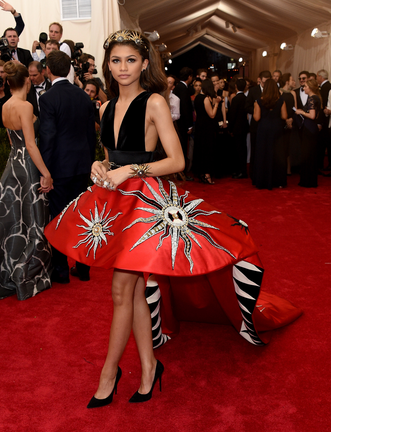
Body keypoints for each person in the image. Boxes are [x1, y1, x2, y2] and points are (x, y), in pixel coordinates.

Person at [43, 29, 301, 409]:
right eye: (116, 61)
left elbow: (177, 161)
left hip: (143, 206)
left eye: (131, 60)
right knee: (130, 293)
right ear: (107, 65)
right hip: (114, 203)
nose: (123, 67)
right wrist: (102, 163)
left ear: (145, 63)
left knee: (121, 291)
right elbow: (110, 155)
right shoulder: (104, 106)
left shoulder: (155, 104)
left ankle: (108, 374)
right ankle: (149, 367)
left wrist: (129, 168)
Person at [0, 61, 54, 307]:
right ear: (27, 81)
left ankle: (8, 260)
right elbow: (30, 144)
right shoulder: (25, 106)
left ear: (7, 82)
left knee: (12, 218)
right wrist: (46, 173)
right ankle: (23, 269)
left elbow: (13, 142)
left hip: (12, 165)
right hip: (28, 165)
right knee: (31, 218)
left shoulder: (6, 105)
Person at [38, 50, 96, 283]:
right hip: (82, 166)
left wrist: (45, 172)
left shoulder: (48, 98)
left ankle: (61, 270)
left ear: (48, 71)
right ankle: (83, 268)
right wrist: (90, 163)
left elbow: (48, 137)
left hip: (60, 169)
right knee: (81, 216)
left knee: (59, 218)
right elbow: (91, 135)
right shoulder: (84, 96)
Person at [252, 78, 288, 190]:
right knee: (277, 155)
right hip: (277, 128)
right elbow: (284, 117)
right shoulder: (281, 100)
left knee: (263, 154)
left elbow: (257, 118)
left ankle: (263, 181)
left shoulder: (259, 101)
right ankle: (278, 181)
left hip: (264, 129)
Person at [296, 78, 322, 188]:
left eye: (305, 86)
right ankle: (310, 180)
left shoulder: (312, 98)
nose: (304, 88)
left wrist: (301, 112)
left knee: (307, 154)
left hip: (309, 128)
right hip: (312, 128)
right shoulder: (317, 97)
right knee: (311, 154)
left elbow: (312, 115)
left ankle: (307, 181)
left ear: (310, 88)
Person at [192, 79, 218, 184]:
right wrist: (216, 104)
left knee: (200, 149)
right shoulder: (205, 98)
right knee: (207, 150)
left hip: (199, 126)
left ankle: (201, 173)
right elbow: (211, 115)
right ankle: (207, 175)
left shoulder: (197, 97)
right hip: (206, 128)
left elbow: (197, 113)